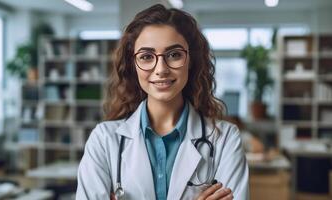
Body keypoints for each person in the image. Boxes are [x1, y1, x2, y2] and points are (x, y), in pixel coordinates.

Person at [76, 4, 249, 200]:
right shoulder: (104, 140)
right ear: (134, 65)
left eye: (174, 55)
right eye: (147, 57)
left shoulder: (225, 139)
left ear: (191, 60)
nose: (161, 69)